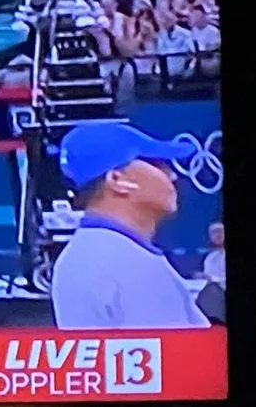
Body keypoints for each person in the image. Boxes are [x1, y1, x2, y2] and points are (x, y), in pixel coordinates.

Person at [49, 122, 208, 329]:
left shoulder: (93, 251)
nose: (172, 175)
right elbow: (176, 350)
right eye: (156, 163)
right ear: (117, 179)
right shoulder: (126, 264)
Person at [197, 221, 225, 324]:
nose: (217, 235)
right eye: (214, 232)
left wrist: (212, 279)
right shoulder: (210, 257)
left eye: (220, 231)